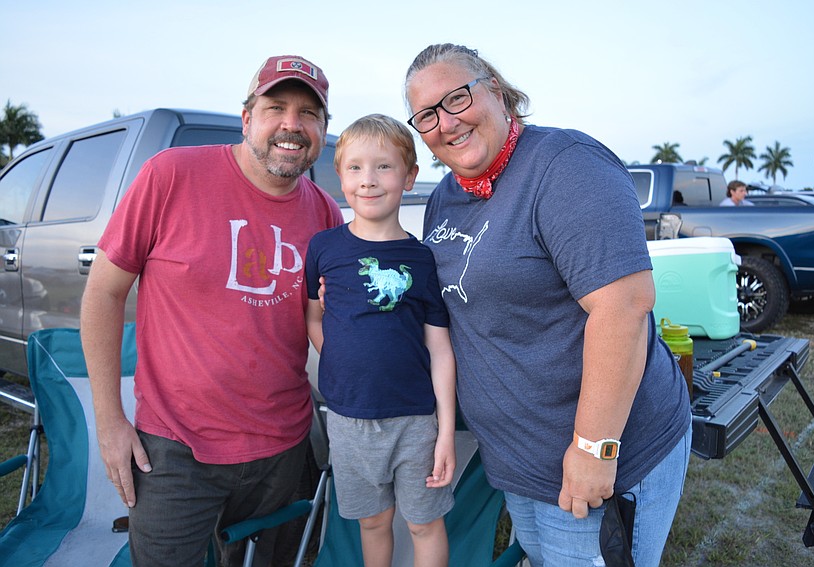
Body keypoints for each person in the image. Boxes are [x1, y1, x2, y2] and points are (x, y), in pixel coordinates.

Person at [403, 44, 692, 567]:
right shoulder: (446, 197)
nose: (445, 123)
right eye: (426, 114)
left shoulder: (565, 166)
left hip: (592, 463)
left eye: (456, 98)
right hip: (519, 465)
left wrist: (593, 449)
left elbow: (623, 306)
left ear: (494, 87)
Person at [80, 55, 344, 567]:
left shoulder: (325, 213)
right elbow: (103, 293)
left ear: (323, 130)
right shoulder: (171, 176)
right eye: (276, 107)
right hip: (176, 450)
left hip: (284, 449)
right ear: (246, 118)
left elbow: (332, 322)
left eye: (310, 113)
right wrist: (110, 421)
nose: (293, 124)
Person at [305, 114, 456, 567]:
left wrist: (445, 432)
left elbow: (441, 349)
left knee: (424, 524)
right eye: (354, 168)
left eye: (384, 167)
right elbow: (314, 317)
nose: (368, 181)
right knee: (372, 523)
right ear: (340, 176)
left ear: (409, 177)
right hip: (348, 422)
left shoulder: (422, 259)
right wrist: (343, 360)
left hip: (415, 422)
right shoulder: (323, 249)